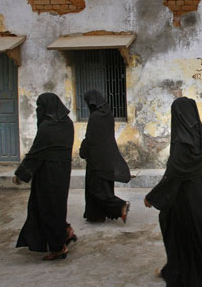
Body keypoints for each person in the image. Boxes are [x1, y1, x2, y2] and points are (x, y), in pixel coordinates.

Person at [144, 97, 202, 286]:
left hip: (185, 199)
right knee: (201, 234)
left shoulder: (183, 142)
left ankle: (184, 272)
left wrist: (153, 197)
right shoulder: (199, 133)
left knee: (179, 232)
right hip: (200, 195)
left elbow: (174, 174)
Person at [13, 93, 76, 261]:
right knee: (56, 206)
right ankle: (65, 231)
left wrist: (21, 173)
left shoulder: (47, 127)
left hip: (47, 175)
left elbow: (36, 153)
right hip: (63, 172)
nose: (38, 111)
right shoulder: (67, 123)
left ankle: (58, 248)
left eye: (40, 107)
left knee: (47, 208)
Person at [80, 89, 131, 223]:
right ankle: (96, 215)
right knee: (104, 186)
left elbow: (90, 139)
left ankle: (121, 206)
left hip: (96, 160)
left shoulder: (95, 117)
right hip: (107, 157)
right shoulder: (107, 115)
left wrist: (83, 151)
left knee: (96, 189)